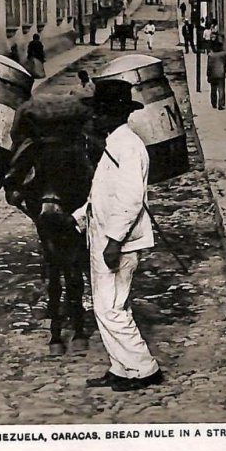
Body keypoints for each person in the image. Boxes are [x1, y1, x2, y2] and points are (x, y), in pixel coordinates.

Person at [73, 80, 163, 392]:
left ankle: (144, 368)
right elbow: (103, 192)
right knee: (110, 305)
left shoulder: (128, 146)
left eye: (101, 113)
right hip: (104, 236)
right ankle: (121, 367)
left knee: (110, 308)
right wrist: (80, 216)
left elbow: (130, 198)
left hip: (119, 242)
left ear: (115, 114)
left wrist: (114, 241)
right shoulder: (115, 142)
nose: (95, 118)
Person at [206, 39, 226, 110]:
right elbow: (225, 65)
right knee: (221, 89)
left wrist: (208, 75)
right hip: (221, 74)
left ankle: (214, 103)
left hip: (212, 74)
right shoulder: (223, 55)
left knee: (213, 89)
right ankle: (221, 104)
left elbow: (209, 66)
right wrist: (224, 72)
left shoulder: (210, 55)